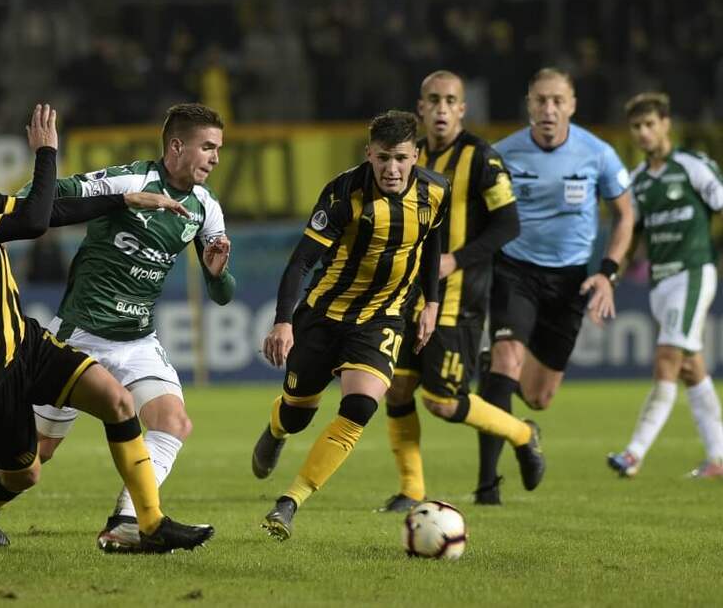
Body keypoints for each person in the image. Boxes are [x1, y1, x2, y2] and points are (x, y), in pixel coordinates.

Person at [0, 103, 213, 552]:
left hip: (26, 343)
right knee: (26, 471)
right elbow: (34, 223)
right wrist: (47, 153)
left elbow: (49, 211)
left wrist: (124, 199)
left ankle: (147, 524)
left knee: (117, 399)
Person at [26, 103, 235, 552]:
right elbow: (43, 195)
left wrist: (217, 275)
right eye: (208, 147)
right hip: (79, 336)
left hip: (137, 340)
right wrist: (42, 168)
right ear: (177, 146)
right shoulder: (129, 181)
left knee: (173, 422)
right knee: (35, 456)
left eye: (219, 149)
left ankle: (126, 522)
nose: (216, 157)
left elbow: (222, 295)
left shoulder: (204, 208)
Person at [250, 110, 449, 541]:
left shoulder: (436, 192)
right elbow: (301, 260)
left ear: (416, 154)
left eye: (400, 158)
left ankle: (290, 502)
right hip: (324, 314)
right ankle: (277, 428)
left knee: (360, 407)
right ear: (368, 154)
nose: (391, 169)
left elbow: (432, 241)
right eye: (382, 158)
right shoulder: (344, 193)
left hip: (383, 316)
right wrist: (284, 322)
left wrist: (431, 300)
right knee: (298, 413)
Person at [377, 70, 543, 513]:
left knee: (443, 402)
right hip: (410, 296)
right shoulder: (409, 157)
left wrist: (456, 259)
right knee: (396, 389)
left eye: (451, 100)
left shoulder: (482, 159)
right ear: (421, 108)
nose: (442, 108)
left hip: (458, 300)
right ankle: (412, 489)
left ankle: (524, 434)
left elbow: (509, 224)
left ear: (463, 109)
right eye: (434, 100)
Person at [475, 68, 635, 504]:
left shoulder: (597, 153)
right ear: (528, 103)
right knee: (507, 359)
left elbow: (626, 215)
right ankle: (487, 487)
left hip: (569, 281)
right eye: (540, 100)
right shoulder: (503, 154)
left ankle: (523, 428)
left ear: (572, 104)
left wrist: (608, 272)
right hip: (515, 272)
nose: (548, 109)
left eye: (557, 101)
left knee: (538, 397)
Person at [607, 92, 723, 479]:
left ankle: (633, 454)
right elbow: (631, 235)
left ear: (665, 124)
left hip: (691, 273)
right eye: (636, 127)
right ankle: (719, 459)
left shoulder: (692, 166)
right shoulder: (637, 182)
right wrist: (612, 274)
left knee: (666, 361)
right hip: (659, 283)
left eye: (649, 124)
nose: (642, 133)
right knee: (692, 368)